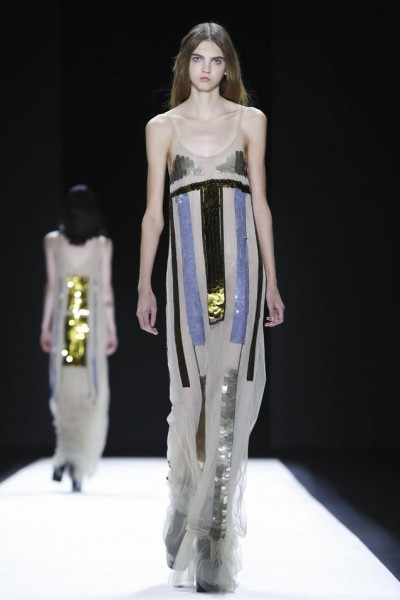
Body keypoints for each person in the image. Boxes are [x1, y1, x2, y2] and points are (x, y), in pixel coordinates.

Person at [136, 22, 285, 593]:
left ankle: (213, 543)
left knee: (226, 403)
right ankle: (184, 503)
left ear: (228, 67)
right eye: (197, 59)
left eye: (216, 60)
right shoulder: (162, 128)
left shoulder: (250, 121)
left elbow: (261, 205)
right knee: (188, 402)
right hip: (186, 285)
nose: (205, 69)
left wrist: (273, 282)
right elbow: (154, 215)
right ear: (185, 64)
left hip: (242, 280)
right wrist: (144, 285)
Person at [40, 184, 118, 493]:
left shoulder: (52, 242)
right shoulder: (102, 245)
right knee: (89, 395)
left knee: (64, 393)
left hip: (65, 325)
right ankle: (76, 465)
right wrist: (111, 329)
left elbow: (51, 287)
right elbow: (106, 292)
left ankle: (64, 456)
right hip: (91, 327)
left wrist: (45, 326)